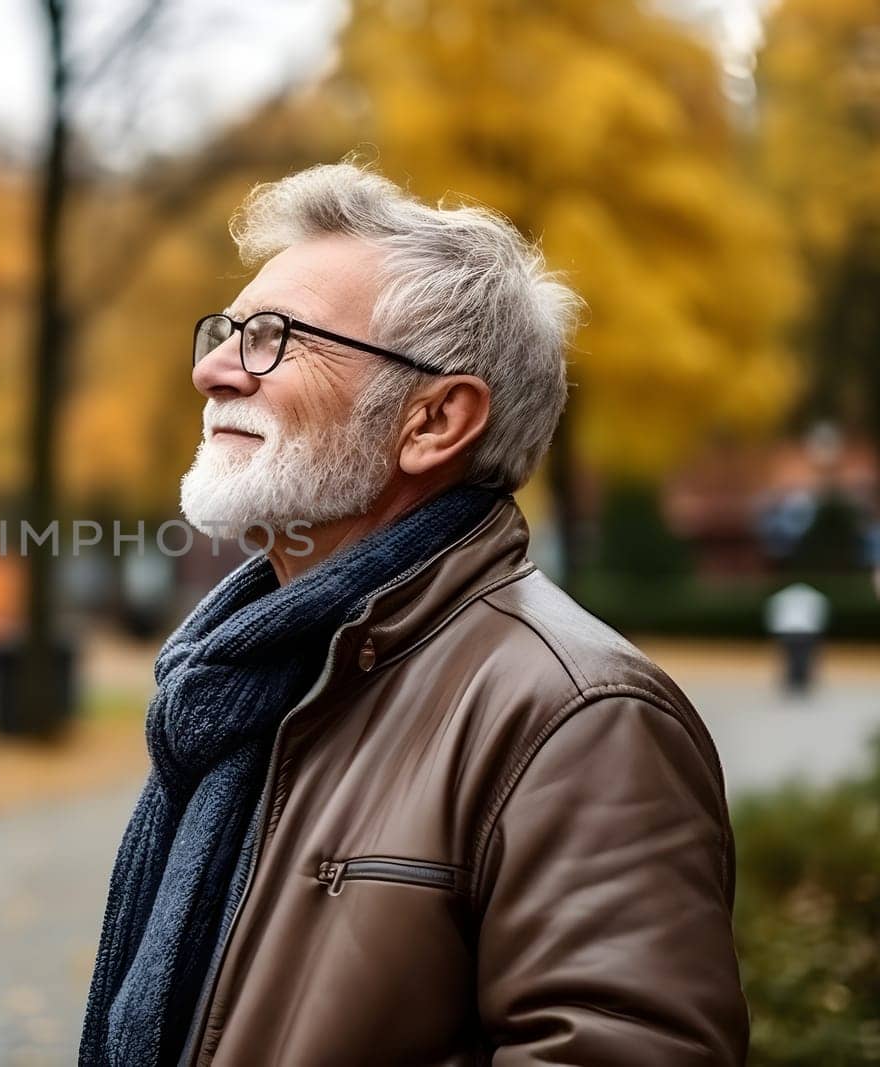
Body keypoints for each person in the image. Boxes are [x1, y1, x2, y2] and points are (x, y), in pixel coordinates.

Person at [80, 160, 748, 1066]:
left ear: (433, 421)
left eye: (276, 338)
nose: (211, 371)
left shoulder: (578, 715)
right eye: (226, 330)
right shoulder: (236, 680)